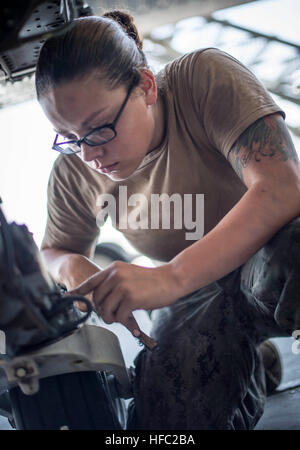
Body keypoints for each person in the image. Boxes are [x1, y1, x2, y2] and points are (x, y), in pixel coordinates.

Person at [35, 11, 300, 429]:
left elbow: (282, 188)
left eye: (99, 128)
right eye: (68, 138)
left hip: (268, 256)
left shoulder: (202, 78)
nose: (88, 155)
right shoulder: (75, 171)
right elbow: (56, 250)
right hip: (196, 299)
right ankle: (252, 367)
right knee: (164, 420)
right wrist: (84, 276)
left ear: (146, 86)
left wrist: (169, 277)